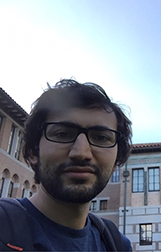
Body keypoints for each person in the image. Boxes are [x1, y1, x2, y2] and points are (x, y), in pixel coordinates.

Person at [0, 79, 133, 251]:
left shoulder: (117, 245)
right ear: (33, 152)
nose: (81, 153)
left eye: (101, 138)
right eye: (63, 134)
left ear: (116, 162)